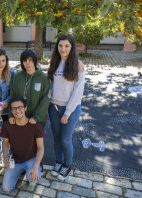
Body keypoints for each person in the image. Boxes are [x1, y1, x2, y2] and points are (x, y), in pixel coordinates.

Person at [47, 34, 85, 181]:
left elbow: (78, 92)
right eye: (60, 45)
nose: (63, 49)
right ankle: (58, 162)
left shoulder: (78, 65)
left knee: (65, 139)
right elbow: (51, 85)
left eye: (66, 46)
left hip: (71, 109)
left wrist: (67, 113)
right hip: (54, 107)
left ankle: (67, 165)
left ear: (72, 47)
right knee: (56, 138)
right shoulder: (54, 62)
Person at [1, 96, 44, 192]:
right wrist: (5, 156)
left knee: (33, 182)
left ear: (25, 108)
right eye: (14, 108)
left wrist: (36, 166)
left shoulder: (36, 126)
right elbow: (5, 143)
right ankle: (21, 170)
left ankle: (30, 169)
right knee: (6, 188)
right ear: (11, 111)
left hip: (31, 159)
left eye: (20, 107)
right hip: (16, 160)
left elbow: (41, 148)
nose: (17, 111)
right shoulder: (7, 125)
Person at [9, 49, 51, 128]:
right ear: (22, 62)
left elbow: (45, 100)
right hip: (19, 118)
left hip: (37, 120)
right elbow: (12, 96)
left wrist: (36, 117)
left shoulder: (43, 78)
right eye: (25, 60)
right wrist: (11, 114)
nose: (27, 63)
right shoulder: (17, 77)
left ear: (34, 61)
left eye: (30, 60)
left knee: (37, 140)